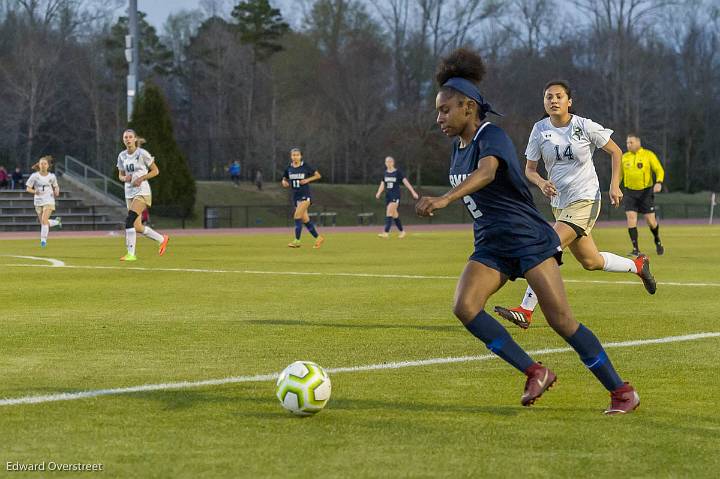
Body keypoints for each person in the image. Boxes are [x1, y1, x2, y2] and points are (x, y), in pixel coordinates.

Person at [415, 48, 639, 414]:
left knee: (562, 322)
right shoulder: (457, 149)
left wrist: (443, 200)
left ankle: (622, 392)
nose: (438, 116)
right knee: (465, 307)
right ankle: (535, 371)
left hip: (527, 239)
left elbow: (487, 173)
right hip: (491, 245)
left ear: (468, 107)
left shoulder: (492, 135)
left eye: (445, 109)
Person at [494, 80, 656, 330]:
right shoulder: (539, 130)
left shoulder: (584, 126)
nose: (553, 100)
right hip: (560, 203)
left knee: (548, 246)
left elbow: (616, 152)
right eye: (549, 97)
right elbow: (530, 169)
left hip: (586, 199)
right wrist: (540, 182)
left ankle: (525, 310)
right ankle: (637, 265)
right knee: (591, 261)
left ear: (569, 102)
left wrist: (614, 185)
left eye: (559, 96)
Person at [116, 129, 170, 261]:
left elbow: (155, 171)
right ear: (123, 140)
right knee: (137, 227)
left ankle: (131, 254)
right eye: (125, 137)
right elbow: (120, 175)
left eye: (130, 137)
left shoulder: (142, 153)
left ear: (135, 139)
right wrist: (125, 178)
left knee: (129, 220)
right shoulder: (122, 156)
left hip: (142, 192)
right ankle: (162, 239)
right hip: (129, 193)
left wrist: (142, 178)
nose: (128, 139)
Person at [622, 133, 665, 255]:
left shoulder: (648, 155)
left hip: (646, 192)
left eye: (631, 142)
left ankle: (657, 239)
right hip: (630, 192)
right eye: (627, 142)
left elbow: (659, 169)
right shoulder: (624, 157)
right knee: (631, 219)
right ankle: (635, 249)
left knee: (651, 222)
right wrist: (614, 187)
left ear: (638, 142)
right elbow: (618, 174)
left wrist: (659, 182)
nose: (628, 145)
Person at [282, 148, 324, 249]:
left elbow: (318, 175)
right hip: (296, 197)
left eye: (297, 155)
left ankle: (297, 241)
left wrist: (307, 180)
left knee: (297, 216)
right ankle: (318, 238)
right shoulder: (288, 168)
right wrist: (284, 182)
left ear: (301, 156)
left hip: (305, 196)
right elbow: (284, 179)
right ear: (291, 156)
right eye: (293, 155)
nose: (295, 157)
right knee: (305, 220)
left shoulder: (305, 166)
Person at [375, 156, 419, 238]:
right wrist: (378, 192)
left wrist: (413, 192)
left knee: (389, 212)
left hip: (395, 195)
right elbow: (383, 184)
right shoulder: (385, 173)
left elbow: (406, 182)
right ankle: (402, 232)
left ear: (393, 162)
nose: (388, 163)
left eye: (389, 162)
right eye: (386, 162)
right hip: (388, 196)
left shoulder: (398, 172)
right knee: (395, 215)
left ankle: (386, 232)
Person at [25, 156, 62, 247]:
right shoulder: (34, 176)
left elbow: (56, 186)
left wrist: (57, 190)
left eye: (45, 163)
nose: (43, 165)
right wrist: (35, 191)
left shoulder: (52, 176)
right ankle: (57, 222)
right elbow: (28, 188)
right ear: (39, 165)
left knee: (44, 220)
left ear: (48, 165)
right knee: (43, 222)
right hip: (38, 201)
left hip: (49, 200)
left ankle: (43, 240)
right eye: (41, 163)